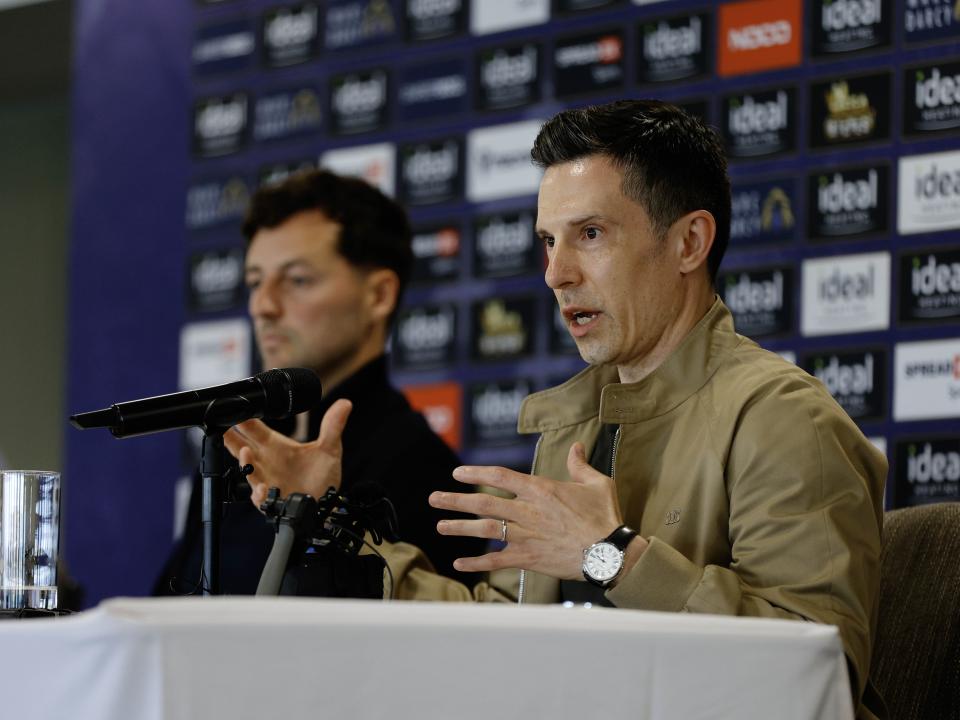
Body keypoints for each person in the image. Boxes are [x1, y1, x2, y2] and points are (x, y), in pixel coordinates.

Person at [230, 102, 886, 718]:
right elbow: (499, 631)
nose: (556, 273)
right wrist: (332, 528)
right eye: (549, 240)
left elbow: (815, 674)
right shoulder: (574, 425)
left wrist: (614, 558)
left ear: (689, 243)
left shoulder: (785, 419)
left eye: (590, 234)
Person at [154, 170, 484, 595]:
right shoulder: (237, 447)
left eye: (297, 280)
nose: (263, 305)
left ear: (378, 295)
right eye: (255, 281)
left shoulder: (425, 468)